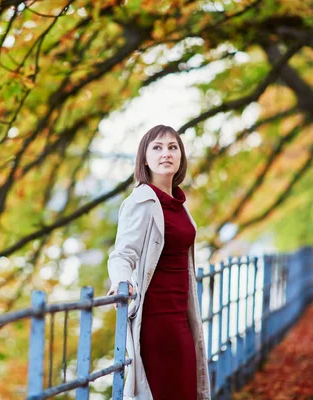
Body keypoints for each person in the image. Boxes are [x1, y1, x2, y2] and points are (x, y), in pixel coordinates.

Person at [107, 125, 211, 399]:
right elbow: (122, 253)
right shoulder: (141, 201)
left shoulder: (179, 203)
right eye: (157, 147)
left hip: (183, 318)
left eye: (172, 147)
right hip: (157, 323)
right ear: (144, 158)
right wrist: (122, 280)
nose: (166, 153)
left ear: (181, 156)